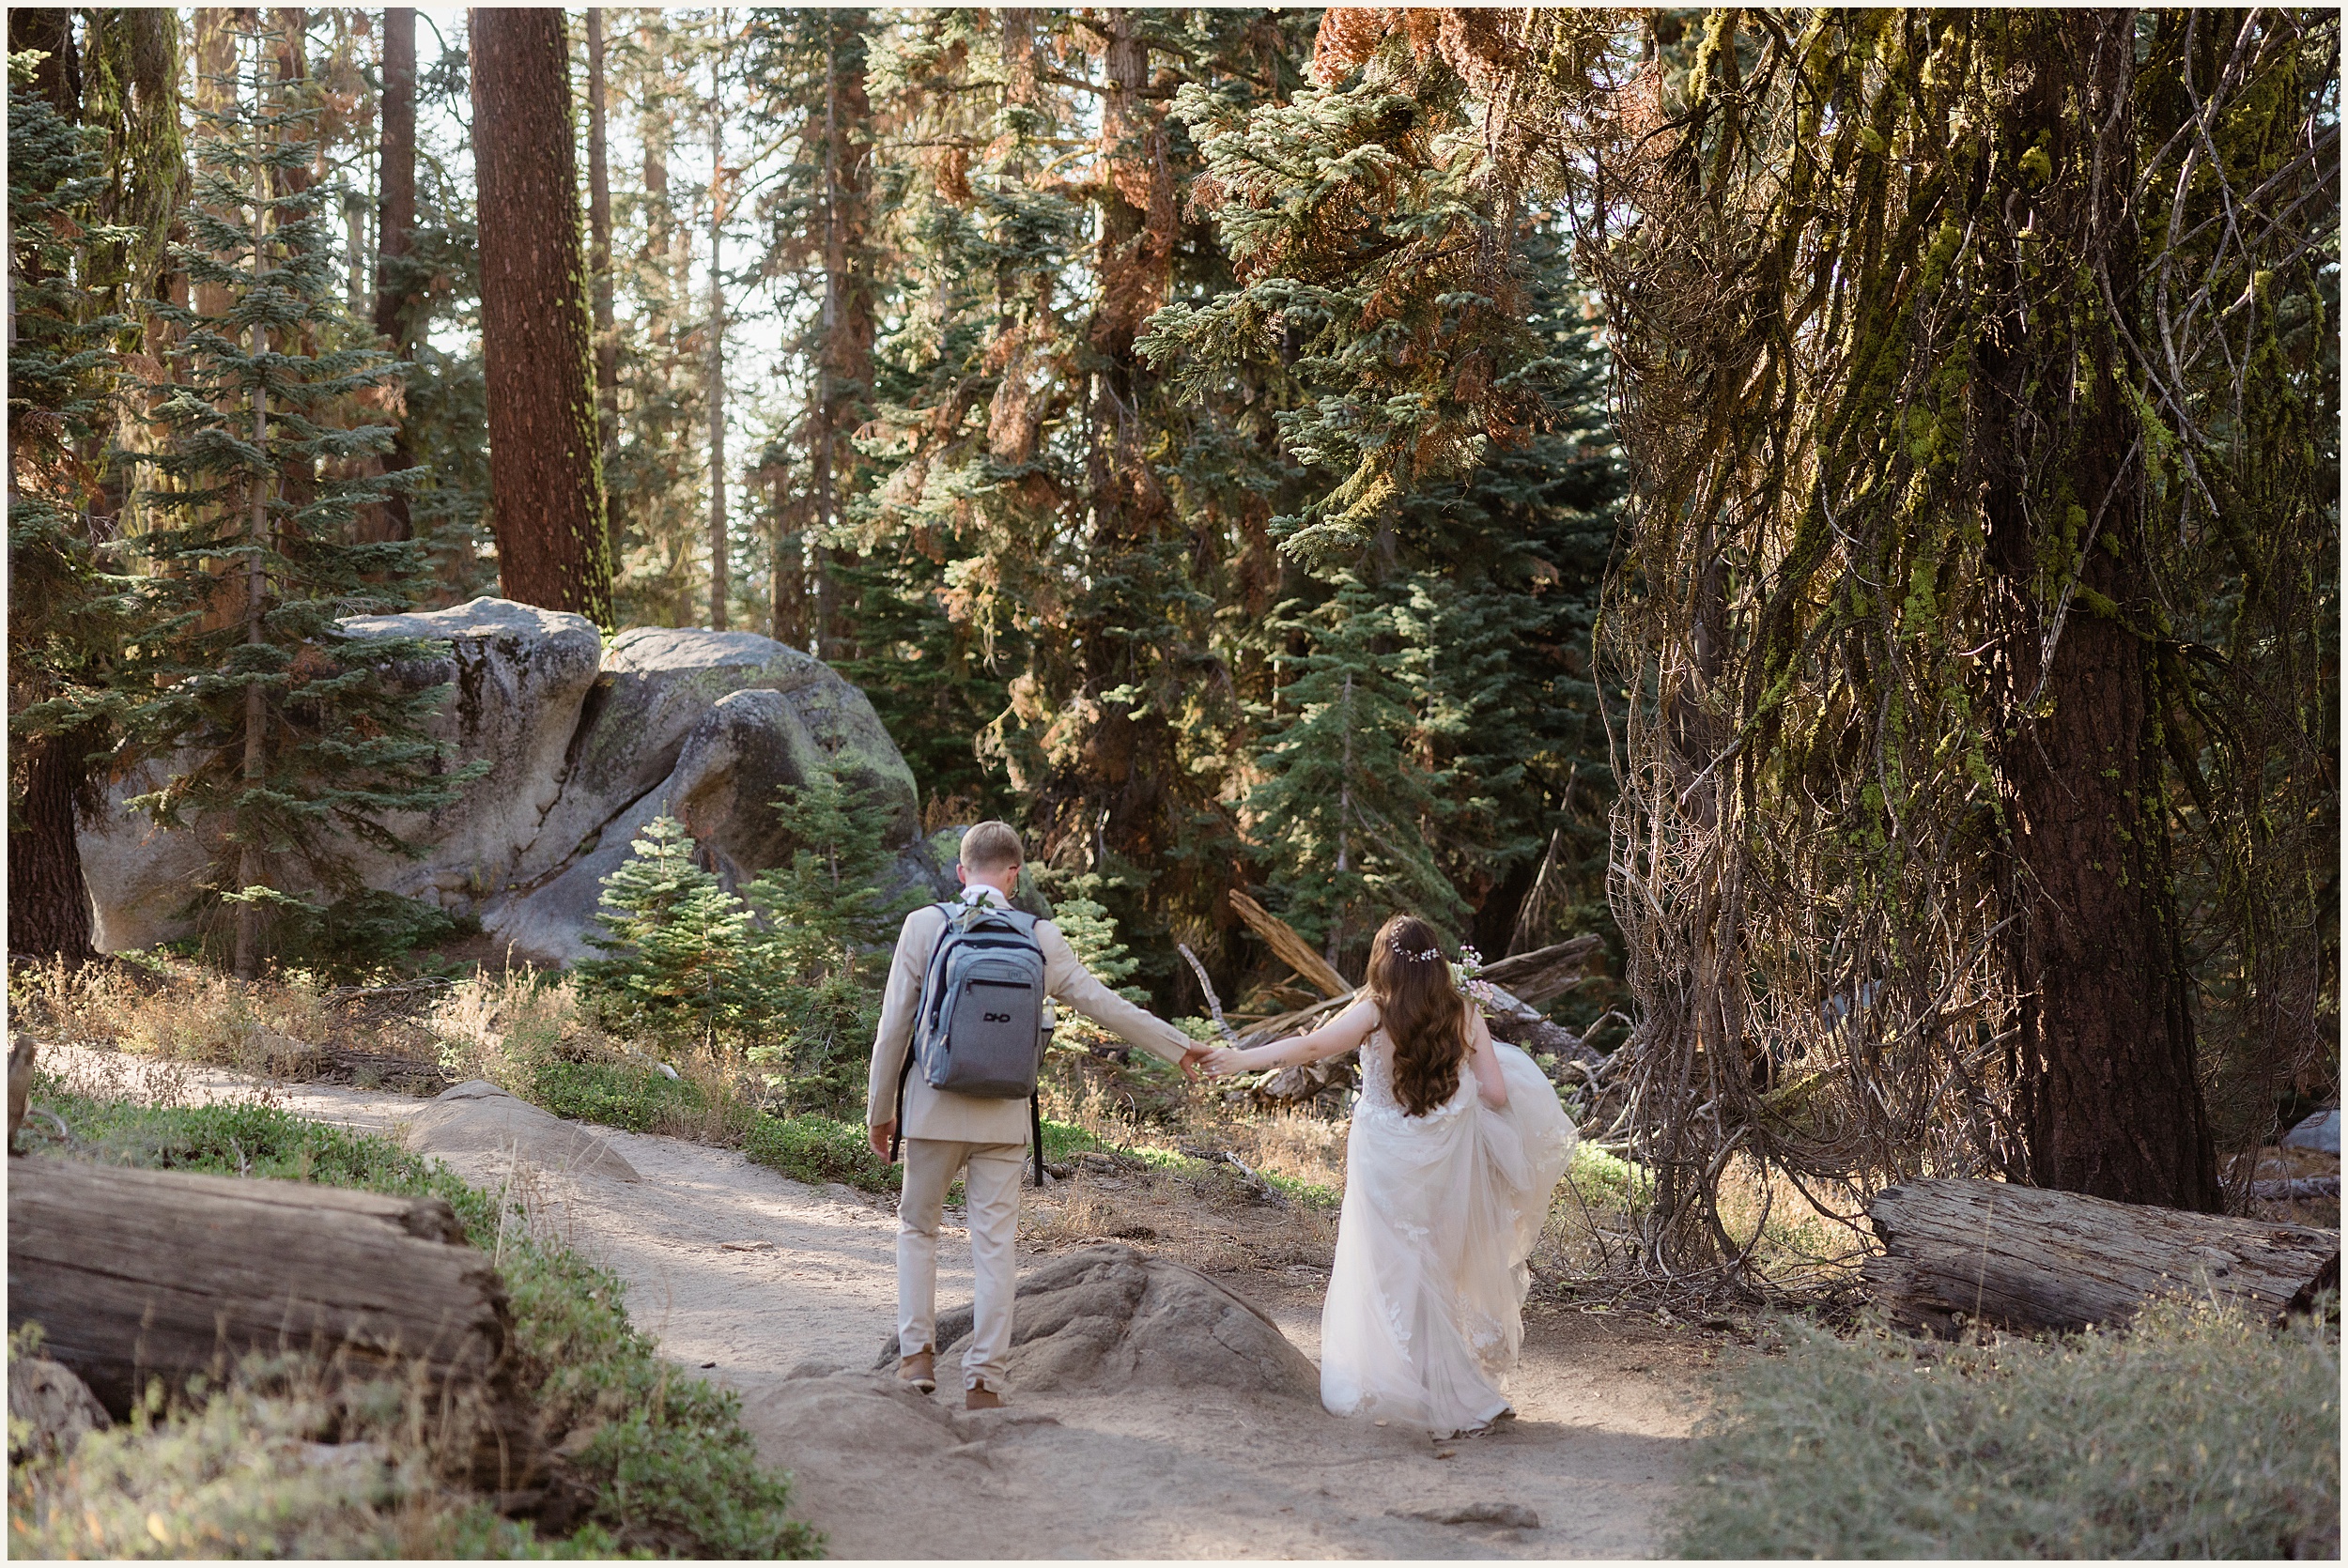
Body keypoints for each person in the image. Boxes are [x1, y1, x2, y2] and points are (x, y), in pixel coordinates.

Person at [866, 820, 1212, 1409]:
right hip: (1004, 1119)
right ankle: (983, 1383)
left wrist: (881, 1109)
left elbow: (895, 1023)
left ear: (960, 871)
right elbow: (1107, 1005)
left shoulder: (926, 925)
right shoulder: (1040, 936)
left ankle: (917, 1359)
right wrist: (1179, 1047)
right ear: (1013, 876)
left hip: (932, 1108)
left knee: (917, 1228)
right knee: (995, 1248)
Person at [1203, 913, 1576, 1437]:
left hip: (1383, 1155)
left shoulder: (1374, 1011)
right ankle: (1459, 1392)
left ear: (1383, 961)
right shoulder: (1463, 1010)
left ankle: (1392, 1380)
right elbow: (1495, 1094)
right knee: (1434, 1268)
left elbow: (1311, 1048)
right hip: (1443, 1157)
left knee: (1386, 1265)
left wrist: (1239, 1059)